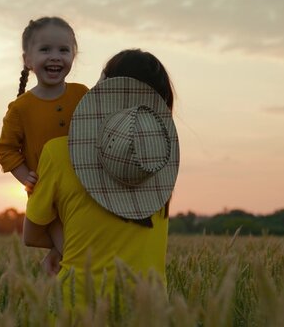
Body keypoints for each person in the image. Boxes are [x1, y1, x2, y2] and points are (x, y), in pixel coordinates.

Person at [23, 49, 179, 310]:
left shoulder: (58, 152)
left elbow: (31, 234)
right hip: (148, 312)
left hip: (76, 308)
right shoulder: (159, 166)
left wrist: (63, 246)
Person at [0, 17, 88, 266]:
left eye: (63, 50)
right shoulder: (21, 108)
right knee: (74, 255)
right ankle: (55, 294)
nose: (55, 56)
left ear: (73, 56)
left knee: (77, 250)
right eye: (45, 49)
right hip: (50, 197)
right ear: (28, 60)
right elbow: (6, 150)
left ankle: (48, 287)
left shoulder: (82, 95)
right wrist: (26, 177)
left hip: (85, 190)